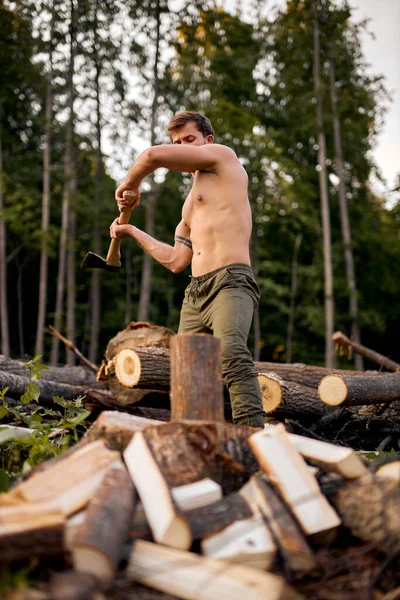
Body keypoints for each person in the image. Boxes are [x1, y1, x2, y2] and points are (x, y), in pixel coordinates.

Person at [110, 111, 265, 428]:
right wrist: (132, 231)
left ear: (207, 140)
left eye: (189, 140)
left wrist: (130, 184)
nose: (183, 146)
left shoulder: (224, 158)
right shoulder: (190, 205)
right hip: (195, 294)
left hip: (230, 282)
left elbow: (152, 155)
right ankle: (194, 441)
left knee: (232, 354)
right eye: (177, 142)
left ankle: (255, 440)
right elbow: (177, 260)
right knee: (188, 372)